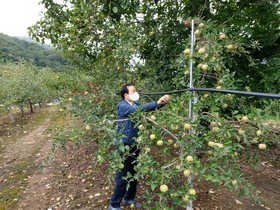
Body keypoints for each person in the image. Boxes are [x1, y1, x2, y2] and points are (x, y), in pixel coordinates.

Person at [109, 84, 170, 210]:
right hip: (123, 146)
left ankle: (128, 199)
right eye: (133, 91)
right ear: (126, 95)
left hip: (135, 145)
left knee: (133, 173)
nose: (136, 93)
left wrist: (161, 103)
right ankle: (114, 205)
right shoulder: (123, 105)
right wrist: (155, 103)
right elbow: (138, 110)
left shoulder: (136, 105)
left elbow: (148, 108)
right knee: (122, 176)